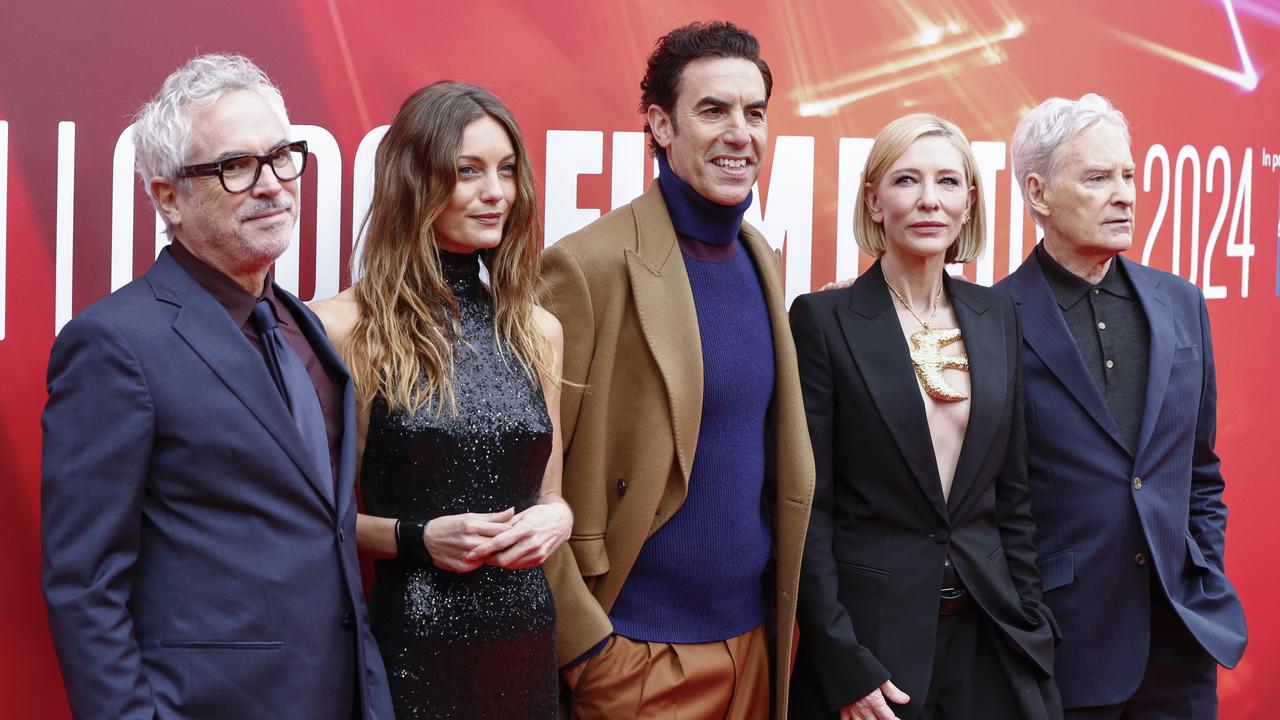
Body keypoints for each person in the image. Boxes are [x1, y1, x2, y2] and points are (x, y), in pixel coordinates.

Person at [40, 54, 393, 719]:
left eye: (283, 156)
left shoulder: (305, 332)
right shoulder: (116, 345)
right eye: (235, 166)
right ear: (167, 196)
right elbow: (85, 586)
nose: (272, 186)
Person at [539, 20, 814, 719]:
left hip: (755, 649)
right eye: (713, 110)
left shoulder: (761, 258)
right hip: (635, 658)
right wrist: (586, 650)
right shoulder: (587, 265)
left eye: (754, 113)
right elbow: (527, 472)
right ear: (661, 125)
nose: (739, 133)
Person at [311, 81, 570, 720]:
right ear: (415, 182)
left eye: (507, 170)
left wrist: (559, 520)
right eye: (467, 172)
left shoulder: (537, 329)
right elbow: (314, 522)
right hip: (413, 650)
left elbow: (552, 494)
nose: (496, 193)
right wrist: (417, 539)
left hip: (527, 644)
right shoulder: (345, 328)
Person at [788, 114, 1061, 720]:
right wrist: (841, 660)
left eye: (948, 182)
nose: (929, 200)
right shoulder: (823, 320)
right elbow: (809, 510)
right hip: (874, 652)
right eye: (907, 180)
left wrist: (1031, 623)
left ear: (969, 202)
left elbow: (1011, 495)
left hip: (992, 637)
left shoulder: (998, 315)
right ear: (874, 199)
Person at [998, 93, 1247, 719]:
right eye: (1098, 177)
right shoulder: (992, 318)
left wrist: (1201, 566)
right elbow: (991, 498)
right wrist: (1029, 619)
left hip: (1180, 643)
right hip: (1063, 649)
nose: (1125, 194)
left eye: (1128, 175)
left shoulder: (1182, 302)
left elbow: (1200, 470)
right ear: (1038, 192)